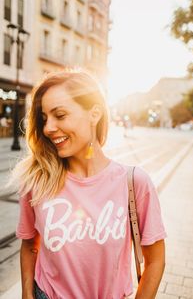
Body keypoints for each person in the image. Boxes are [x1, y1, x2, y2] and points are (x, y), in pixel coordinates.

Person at [11, 69, 166, 299]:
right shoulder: (37, 180)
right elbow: (29, 245)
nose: (47, 128)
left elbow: (155, 260)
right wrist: (26, 294)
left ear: (94, 114)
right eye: (44, 119)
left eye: (60, 115)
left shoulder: (134, 183)